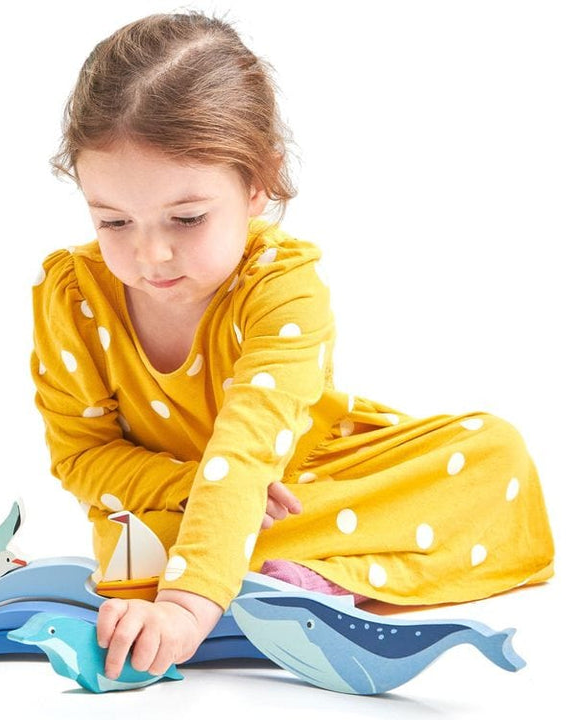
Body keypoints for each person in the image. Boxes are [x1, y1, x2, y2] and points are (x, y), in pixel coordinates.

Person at [30, 11, 554, 681]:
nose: (150, 253)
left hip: (300, 482)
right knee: (147, 532)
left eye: (186, 219)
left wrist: (187, 602)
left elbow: (249, 451)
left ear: (258, 183)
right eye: (113, 221)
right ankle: (283, 576)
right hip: (172, 508)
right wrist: (192, 492)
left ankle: (282, 573)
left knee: (494, 452)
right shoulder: (71, 295)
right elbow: (82, 457)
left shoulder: (284, 287)